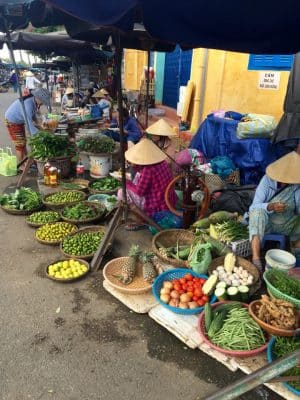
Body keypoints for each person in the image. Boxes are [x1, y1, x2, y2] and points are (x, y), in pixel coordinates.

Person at [248, 150, 300, 271]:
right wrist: (270, 206)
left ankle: (295, 252)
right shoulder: (267, 181)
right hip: (267, 224)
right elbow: (253, 207)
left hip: (288, 224)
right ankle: (256, 258)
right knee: (257, 213)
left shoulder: (297, 184)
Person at [117, 138, 177, 229]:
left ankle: (141, 220)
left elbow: (140, 192)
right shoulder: (163, 162)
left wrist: (126, 182)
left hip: (157, 204)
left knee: (121, 192)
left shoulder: (148, 170)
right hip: (168, 198)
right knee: (137, 176)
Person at [5, 88, 51, 165]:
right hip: (12, 121)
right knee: (20, 144)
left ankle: (26, 161)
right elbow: (29, 124)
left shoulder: (34, 102)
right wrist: (38, 136)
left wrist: (39, 125)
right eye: (42, 101)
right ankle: (21, 164)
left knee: (23, 141)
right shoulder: (28, 104)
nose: (43, 103)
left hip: (19, 121)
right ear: (38, 98)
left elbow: (33, 117)